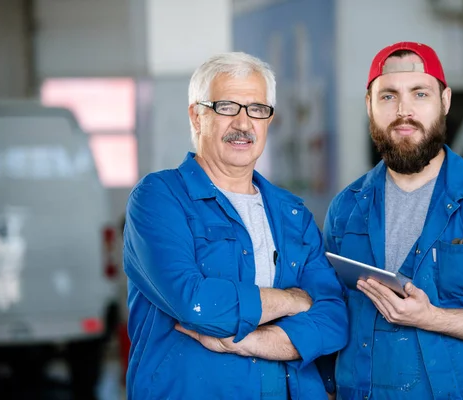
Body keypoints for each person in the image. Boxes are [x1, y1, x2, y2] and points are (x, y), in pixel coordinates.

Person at [320, 42, 463, 399]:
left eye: (420, 93)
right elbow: (330, 309)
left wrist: (431, 317)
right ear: (369, 105)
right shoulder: (345, 208)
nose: (404, 110)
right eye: (388, 96)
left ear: (445, 101)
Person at [123, 51, 348, 399]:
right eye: (227, 106)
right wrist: (290, 300)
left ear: (268, 121)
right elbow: (196, 304)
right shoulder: (160, 198)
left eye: (257, 109)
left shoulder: (293, 214)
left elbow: (333, 318)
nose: (243, 124)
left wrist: (253, 343)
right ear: (197, 116)